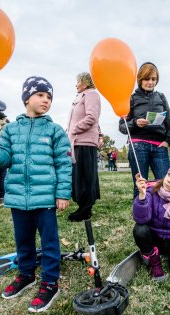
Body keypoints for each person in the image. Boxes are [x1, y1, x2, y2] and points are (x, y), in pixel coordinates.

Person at [0, 76, 71, 313]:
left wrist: (62, 193)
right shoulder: (10, 130)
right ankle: (26, 274)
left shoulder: (55, 131)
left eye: (49, 97)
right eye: (40, 95)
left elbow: (64, 165)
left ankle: (50, 281)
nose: (46, 100)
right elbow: (3, 158)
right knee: (23, 241)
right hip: (18, 198)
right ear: (27, 97)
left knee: (49, 242)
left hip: (45, 198)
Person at [119, 62, 170, 198]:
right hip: (138, 146)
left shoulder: (161, 97)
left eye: (153, 79)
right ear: (140, 79)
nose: (150, 82)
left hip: (159, 147)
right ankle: (141, 219)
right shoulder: (131, 98)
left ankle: (164, 218)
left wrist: (168, 141)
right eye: (147, 79)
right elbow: (122, 126)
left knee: (166, 186)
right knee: (140, 186)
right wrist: (135, 123)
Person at [66, 72, 102, 222]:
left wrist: (74, 128)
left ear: (85, 82)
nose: (76, 84)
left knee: (85, 176)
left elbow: (92, 117)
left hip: (85, 142)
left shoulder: (91, 94)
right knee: (78, 176)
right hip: (77, 141)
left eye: (78, 81)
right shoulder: (81, 96)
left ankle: (86, 209)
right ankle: (83, 205)